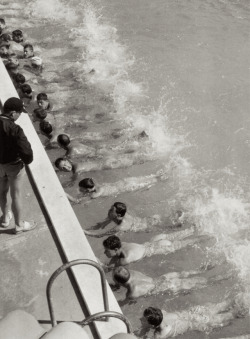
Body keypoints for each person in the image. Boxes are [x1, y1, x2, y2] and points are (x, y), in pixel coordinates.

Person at [0, 97, 36, 233]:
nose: (19, 116)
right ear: (13, 113)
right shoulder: (15, 129)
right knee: (16, 195)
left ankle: (5, 218)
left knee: (2, 192)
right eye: (19, 113)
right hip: (13, 166)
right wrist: (26, 161)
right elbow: (26, 152)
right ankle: (19, 224)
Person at [141, 297, 247, 339]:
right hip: (195, 312)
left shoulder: (158, 336)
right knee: (224, 304)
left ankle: (245, 309)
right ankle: (244, 297)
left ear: (152, 325)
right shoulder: (162, 313)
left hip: (198, 324)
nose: (141, 320)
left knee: (232, 315)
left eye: (143, 319)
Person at [112, 266, 230, 300]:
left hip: (168, 287)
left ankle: (228, 275)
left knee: (205, 282)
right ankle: (218, 264)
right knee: (197, 271)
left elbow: (128, 301)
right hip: (165, 277)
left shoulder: (132, 292)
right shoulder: (131, 272)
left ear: (119, 281)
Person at [103, 228, 196, 266]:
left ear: (115, 249)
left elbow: (112, 269)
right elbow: (114, 259)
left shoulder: (125, 260)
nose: (104, 252)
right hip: (155, 240)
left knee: (191, 242)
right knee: (190, 233)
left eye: (106, 250)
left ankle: (207, 237)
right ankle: (201, 230)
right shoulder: (121, 244)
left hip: (159, 248)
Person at [77, 168, 169, 200]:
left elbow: (88, 197)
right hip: (124, 181)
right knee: (148, 177)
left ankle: (166, 177)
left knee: (151, 181)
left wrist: (82, 194)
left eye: (82, 188)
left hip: (127, 187)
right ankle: (166, 172)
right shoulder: (96, 184)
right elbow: (91, 179)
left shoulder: (96, 194)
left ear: (88, 189)